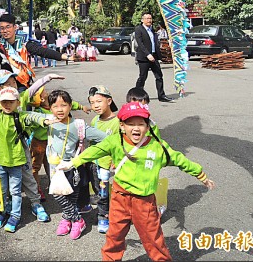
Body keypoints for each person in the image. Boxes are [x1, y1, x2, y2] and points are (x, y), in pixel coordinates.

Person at [62, 101, 216, 261]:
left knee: (153, 239)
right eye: (130, 124)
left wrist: (200, 174)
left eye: (140, 124)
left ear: (148, 127)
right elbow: (95, 150)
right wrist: (73, 162)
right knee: (114, 235)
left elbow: (179, 159)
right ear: (122, 126)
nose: (136, 128)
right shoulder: (115, 141)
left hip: (145, 203)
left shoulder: (157, 148)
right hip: (119, 198)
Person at [0, 87, 56, 233]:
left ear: (18, 103)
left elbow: (33, 116)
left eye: (10, 102)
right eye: (3, 102)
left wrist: (45, 120)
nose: (7, 105)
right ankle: (2, 211)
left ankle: (18, 213)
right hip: (0, 161)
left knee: (17, 189)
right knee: (2, 190)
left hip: (18, 160)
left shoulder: (20, 116)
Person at [45, 89, 107, 239]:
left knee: (71, 196)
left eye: (64, 105)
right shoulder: (47, 120)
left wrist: (89, 155)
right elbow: (27, 116)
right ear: (50, 108)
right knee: (58, 194)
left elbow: (104, 138)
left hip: (73, 169)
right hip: (55, 169)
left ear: (71, 106)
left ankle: (70, 219)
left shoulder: (78, 125)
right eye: (55, 106)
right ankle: (75, 219)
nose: (60, 109)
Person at [0, 14, 70, 89]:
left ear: (15, 27)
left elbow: (43, 51)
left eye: (8, 27)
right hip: (6, 83)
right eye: (2, 28)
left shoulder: (25, 43)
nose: (5, 31)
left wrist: (66, 57)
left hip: (23, 83)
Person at [87, 85, 120, 234]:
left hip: (106, 165)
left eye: (99, 101)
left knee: (103, 192)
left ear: (109, 101)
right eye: (92, 103)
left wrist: (115, 159)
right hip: (94, 163)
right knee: (98, 190)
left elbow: (120, 143)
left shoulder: (117, 122)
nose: (95, 106)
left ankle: (104, 216)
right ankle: (107, 209)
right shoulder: (95, 120)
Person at [134, 13, 173, 102]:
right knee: (142, 77)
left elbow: (155, 43)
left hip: (154, 56)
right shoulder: (139, 29)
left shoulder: (152, 30)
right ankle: (136, 95)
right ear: (142, 20)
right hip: (144, 57)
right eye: (147, 18)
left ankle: (161, 96)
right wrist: (147, 54)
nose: (149, 20)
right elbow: (140, 44)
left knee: (159, 76)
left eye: (150, 18)